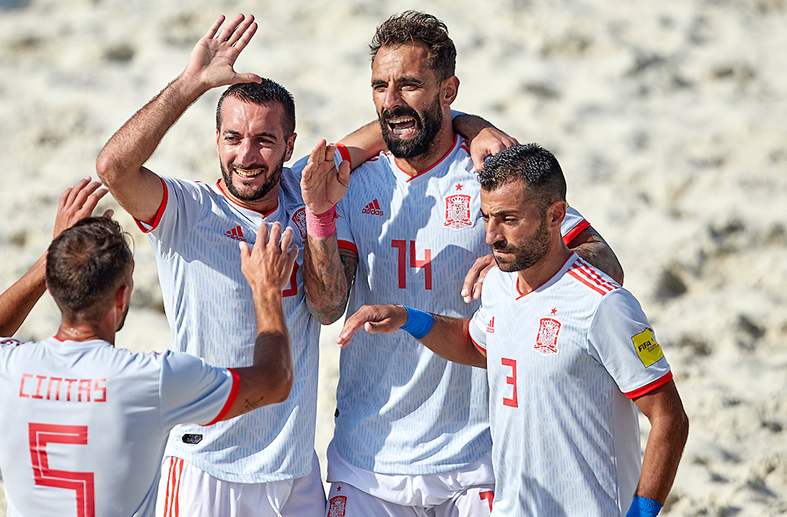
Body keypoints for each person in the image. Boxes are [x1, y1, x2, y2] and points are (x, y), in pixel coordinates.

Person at [95, 13, 508, 516]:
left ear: (289, 146)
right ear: (217, 140)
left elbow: (395, 129)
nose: (247, 156)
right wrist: (190, 84)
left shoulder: (306, 191)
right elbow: (114, 167)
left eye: (265, 141)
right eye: (232, 138)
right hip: (209, 467)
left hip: (297, 473)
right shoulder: (187, 210)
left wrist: (469, 124)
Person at [300, 11, 626, 516]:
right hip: (367, 461)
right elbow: (326, 307)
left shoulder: (490, 172)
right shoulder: (351, 180)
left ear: (448, 90)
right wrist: (320, 217)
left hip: (479, 460)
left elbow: (604, 266)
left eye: (409, 85)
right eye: (380, 86)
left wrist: (514, 263)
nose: (391, 101)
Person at [338, 144, 689, 517]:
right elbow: (476, 345)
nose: (491, 235)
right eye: (486, 217)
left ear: (555, 216)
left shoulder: (604, 305)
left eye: (508, 219)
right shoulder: (501, 286)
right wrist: (407, 317)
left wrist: (641, 513)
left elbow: (669, 417)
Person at [0, 178, 299, 517]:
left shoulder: (7, 369)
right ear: (121, 298)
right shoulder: (152, 379)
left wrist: (51, 257)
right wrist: (266, 291)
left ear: (53, 284)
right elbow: (275, 381)